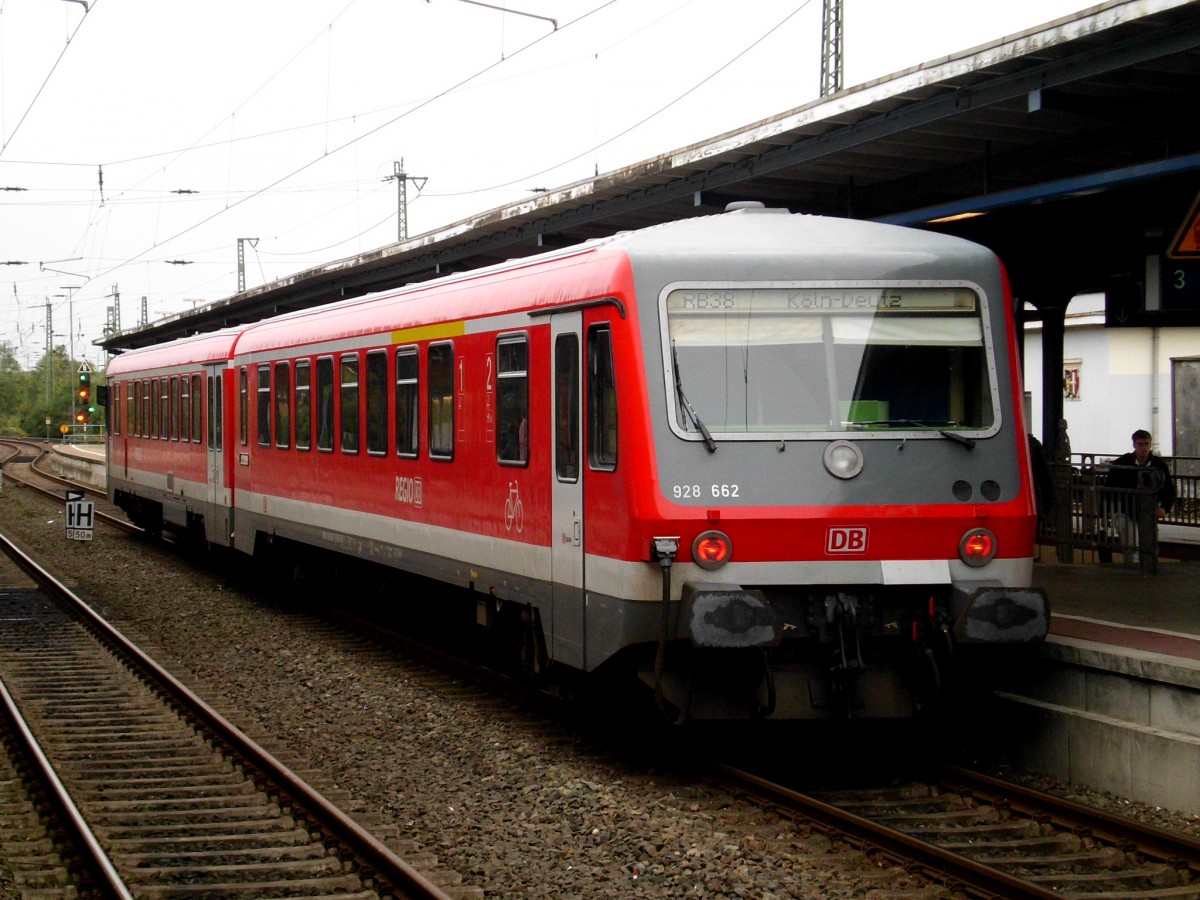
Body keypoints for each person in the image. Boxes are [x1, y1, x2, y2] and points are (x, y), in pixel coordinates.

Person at [1106, 429, 1176, 519]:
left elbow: (1168, 488)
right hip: (1123, 511)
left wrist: (1164, 508)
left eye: (1147, 444)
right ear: (1134, 445)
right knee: (1128, 530)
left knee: (1147, 532)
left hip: (1148, 509)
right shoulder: (1122, 463)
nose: (1144, 448)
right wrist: (1109, 510)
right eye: (1140, 444)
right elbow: (1109, 486)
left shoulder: (1159, 464)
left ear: (1150, 445)